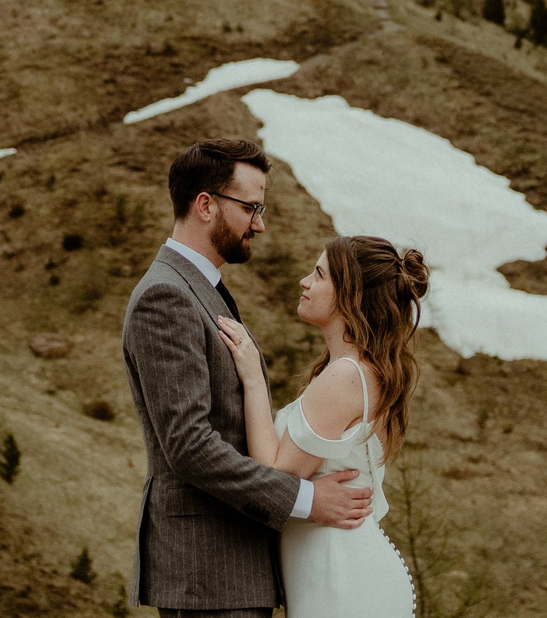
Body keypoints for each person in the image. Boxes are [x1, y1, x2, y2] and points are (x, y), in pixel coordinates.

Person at [122, 139, 376, 616]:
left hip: (233, 568)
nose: (259, 223)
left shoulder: (202, 289)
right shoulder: (166, 297)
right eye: (250, 208)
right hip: (208, 570)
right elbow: (189, 445)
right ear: (205, 205)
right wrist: (307, 499)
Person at [215, 236, 424, 617]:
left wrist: (254, 377)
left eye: (319, 274)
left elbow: (274, 475)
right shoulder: (359, 371)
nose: (305, 281)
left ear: (351, 295)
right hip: (336, 569)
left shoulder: (346, 375)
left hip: (341, 575)